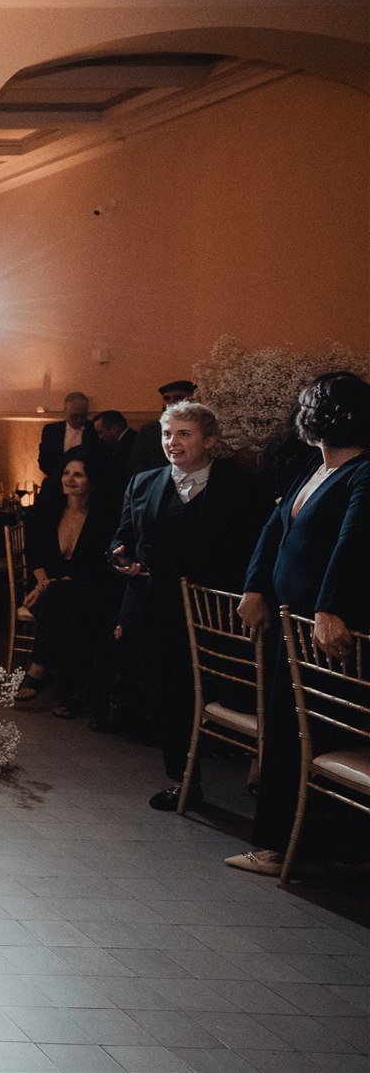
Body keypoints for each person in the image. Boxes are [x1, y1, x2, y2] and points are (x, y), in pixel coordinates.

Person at [228, 371, 370, 876]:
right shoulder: (315, 465)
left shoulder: (363, 473)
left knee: (301, 734)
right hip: (288, 622)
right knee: (282, 727)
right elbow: (275, 527)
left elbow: (354, 543)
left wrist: (330, 607)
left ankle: (285, 849)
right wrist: (254, 586)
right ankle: (280, 843)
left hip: (320, 629)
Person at [110, 399, 269, 813]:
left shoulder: (243, 487)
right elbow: (122, 536)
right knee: (166, 696)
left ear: (211, 440)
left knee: (224, 693)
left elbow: (255, 550)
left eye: (184, 434)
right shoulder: (143, 483)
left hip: (216, 614)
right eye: (167, 434)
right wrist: (120, 556)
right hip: (155, 607)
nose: (172, 443)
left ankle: (258, 774)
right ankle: (184, 781)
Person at [16, 445, 119, 717]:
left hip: (86, 588)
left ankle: (39, 667)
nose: (69, 479)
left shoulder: (103, 518)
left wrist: (51, 586)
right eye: (66, 473)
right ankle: (72, 693)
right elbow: (34, 553)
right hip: (46, 589)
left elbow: (99, 564)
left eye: (78, 475)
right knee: (70, 610)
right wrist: (41, 583)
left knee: (73, 602)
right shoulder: (50, 511)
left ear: (92, 481)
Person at [129, 379, 196, 476]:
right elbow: (135, 466)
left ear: (192, 399)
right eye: (167, 398)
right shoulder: (150, 430)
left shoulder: (201, 427)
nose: (171, 403)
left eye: (178, 398)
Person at [38, 391, 95, 486]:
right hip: (57, 484)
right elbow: (44, 460)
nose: (79, 419)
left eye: (83, 415)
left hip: (87, 486)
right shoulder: (51, 430)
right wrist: (59, 477)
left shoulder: (94, 431)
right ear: (65, 411)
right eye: (75, 415)